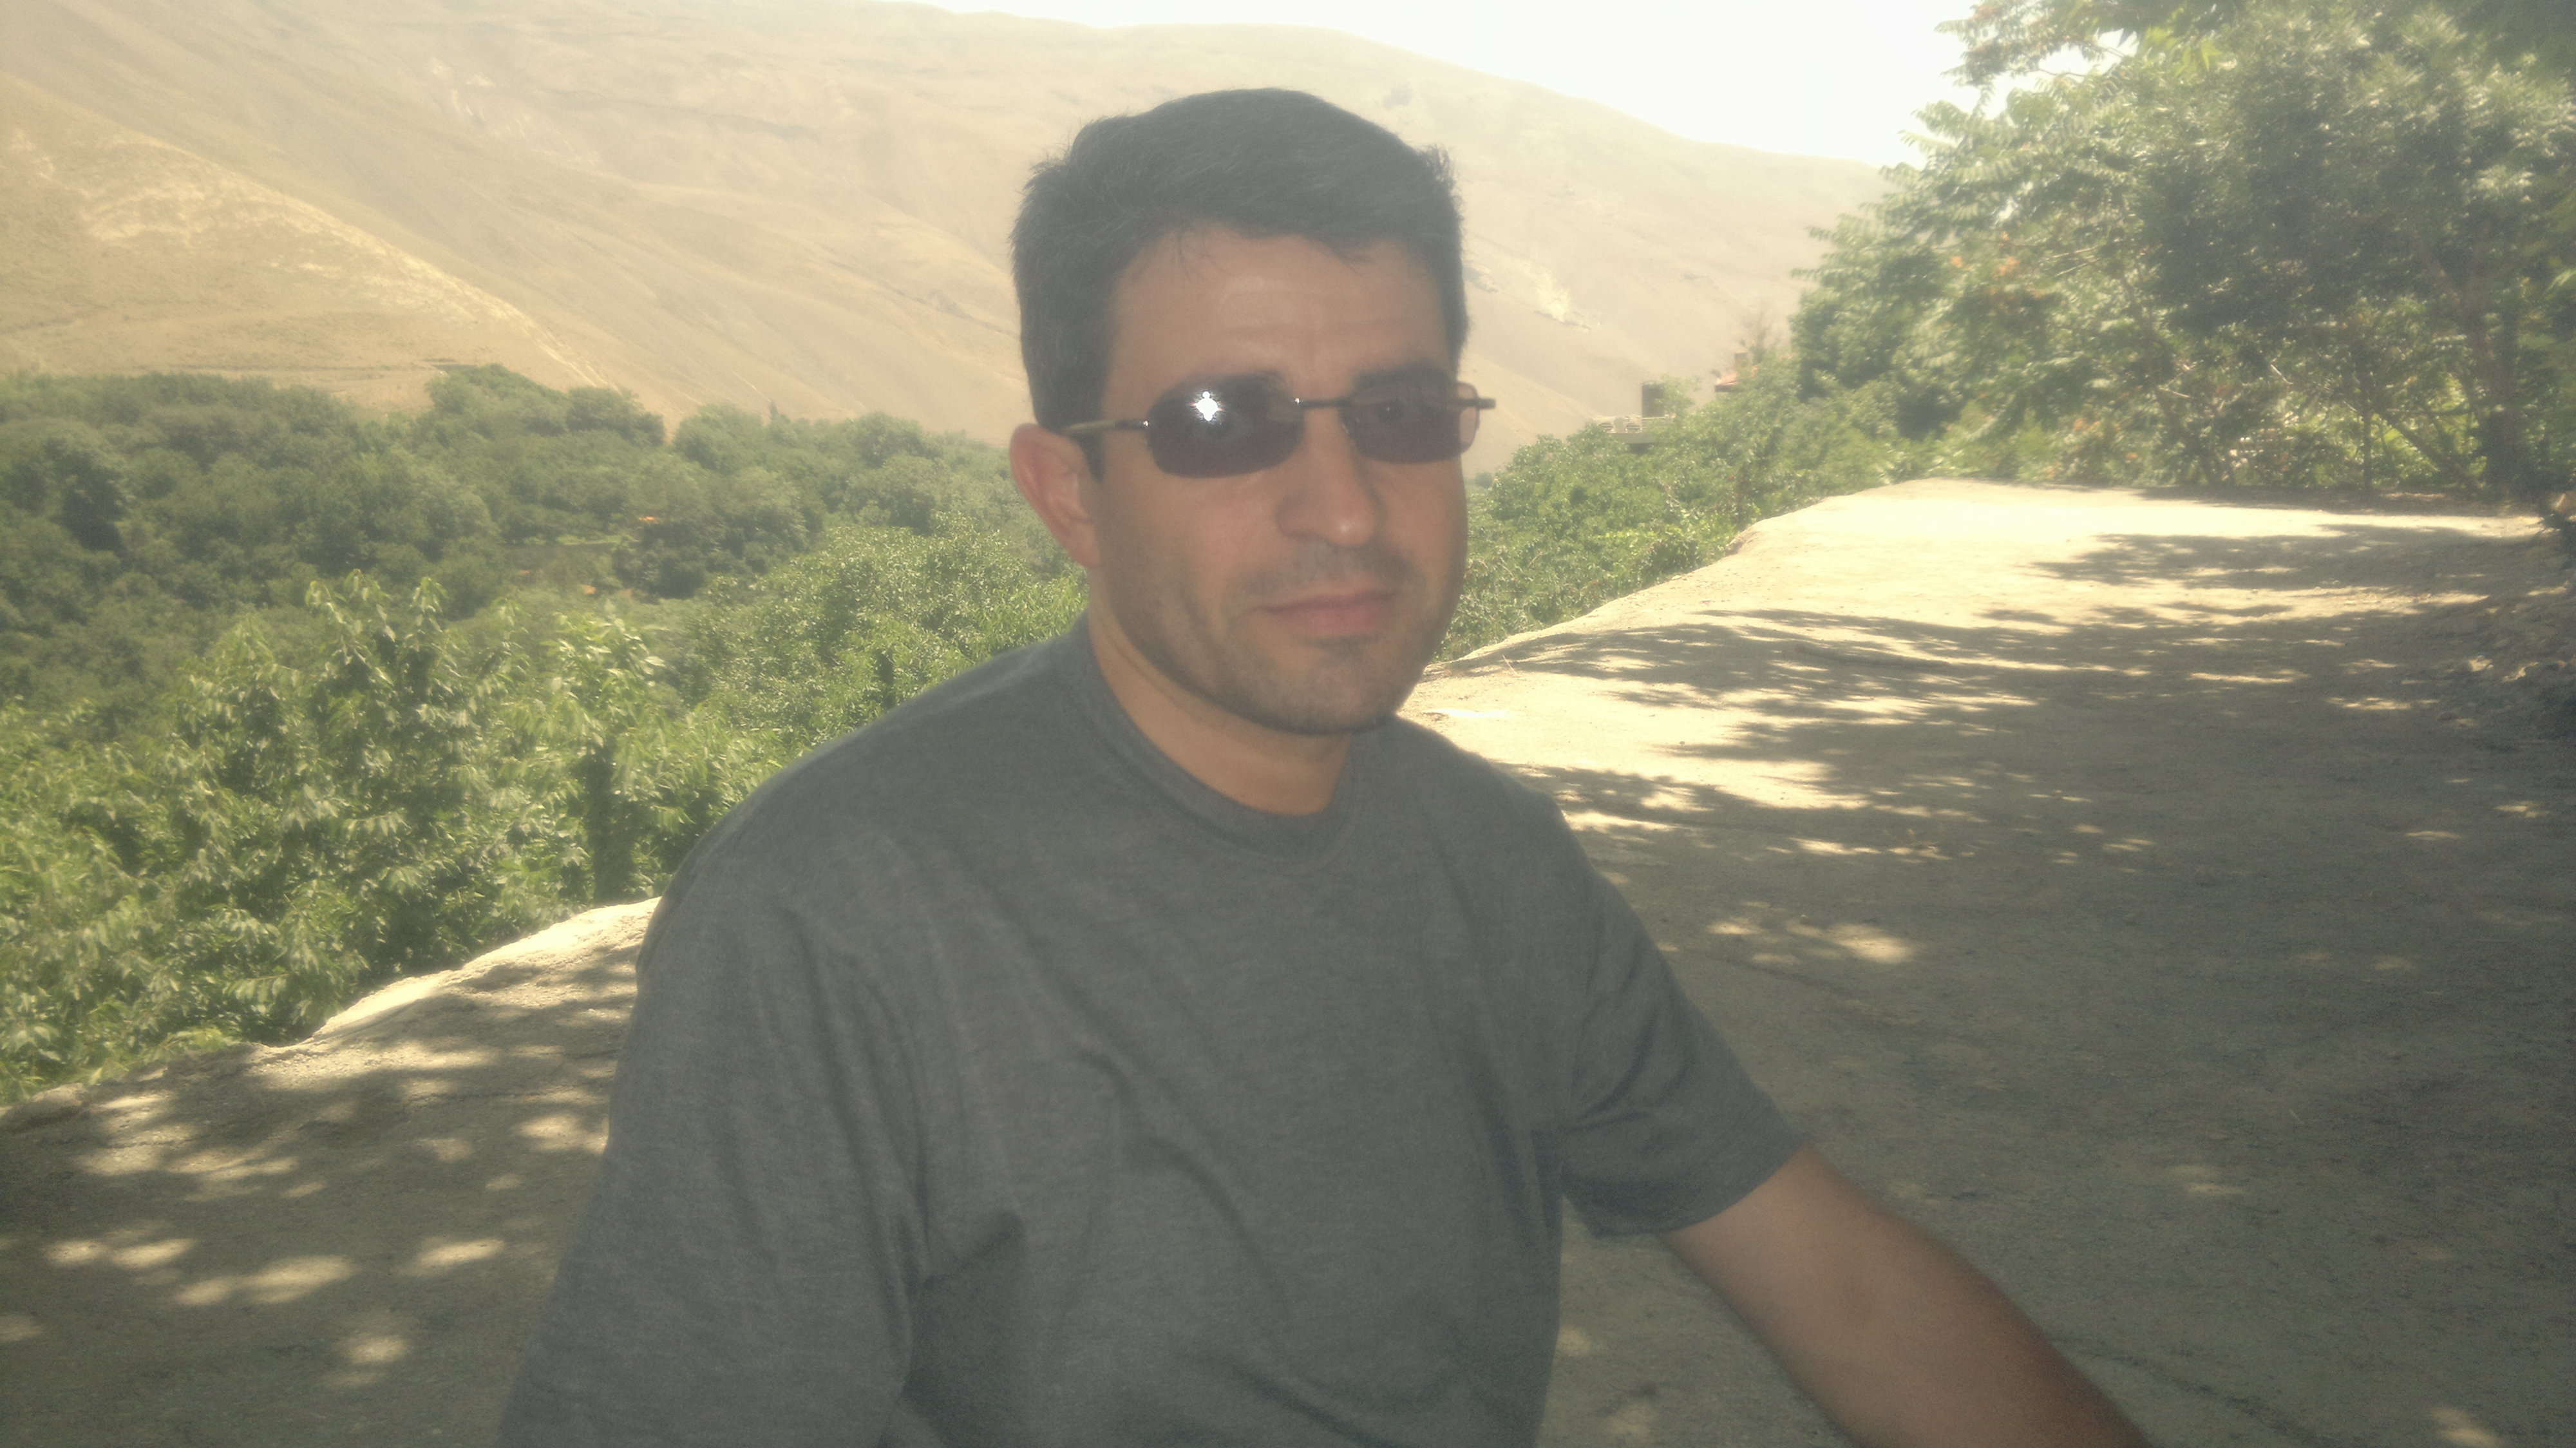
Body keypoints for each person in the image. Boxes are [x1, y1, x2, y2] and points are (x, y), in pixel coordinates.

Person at [495, 89, 2152, 1448]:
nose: (1345, 506)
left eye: (1402, 410)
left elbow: (1843, 1289)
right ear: (1067, 494)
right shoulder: (839, 909)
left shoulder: (1490, 861)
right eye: (1223, 424)